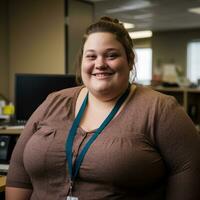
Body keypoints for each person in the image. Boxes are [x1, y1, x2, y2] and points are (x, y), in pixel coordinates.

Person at [6, 16, 200, 200]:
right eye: (91, 56)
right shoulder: (53, 102)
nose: (100, 64)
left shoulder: (160, 109)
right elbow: (18, 170)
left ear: (130, 60)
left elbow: (189, 171)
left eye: (111, 55)